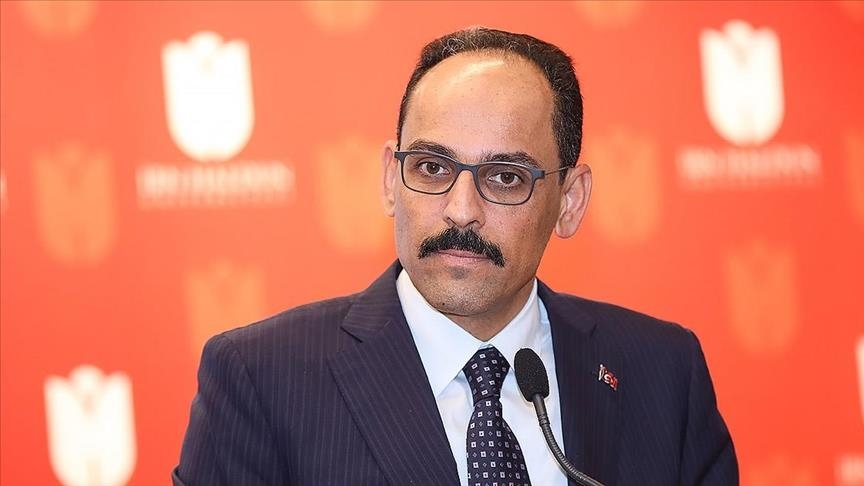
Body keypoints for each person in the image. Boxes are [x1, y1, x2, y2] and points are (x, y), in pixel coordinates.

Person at [174, 27, 738, 486]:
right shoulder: (262, 378)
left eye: (504, 177)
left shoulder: (663, 371)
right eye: (431, 168)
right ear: (390, 180)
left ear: (569, 201)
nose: (461, 210)